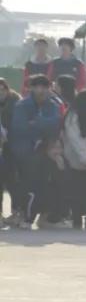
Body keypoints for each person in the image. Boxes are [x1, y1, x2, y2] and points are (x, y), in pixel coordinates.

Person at [9, 75, 62, 227]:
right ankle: (25, 216)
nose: (41, 90)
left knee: (45, 183)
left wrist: (36, 121)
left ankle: (43, 216)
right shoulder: (22, 105)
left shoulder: (52, 105)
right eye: (37, 86)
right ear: (31, 88)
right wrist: (42, 126)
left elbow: (56, 124)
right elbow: (20, 128)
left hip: (45, 151)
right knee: (27, 185)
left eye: (44, 87)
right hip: (24, 152)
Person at [61, 89, 86, 230]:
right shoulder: (72, 117)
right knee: (76, 189)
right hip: (75, 158)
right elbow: (75, 139)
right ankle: (77, 216)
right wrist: (85, 156)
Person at [0, 79, 21, 223]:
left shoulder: (17, 103)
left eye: (2, 89)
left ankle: (17, 211)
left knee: (13, 180)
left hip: (13, 147)